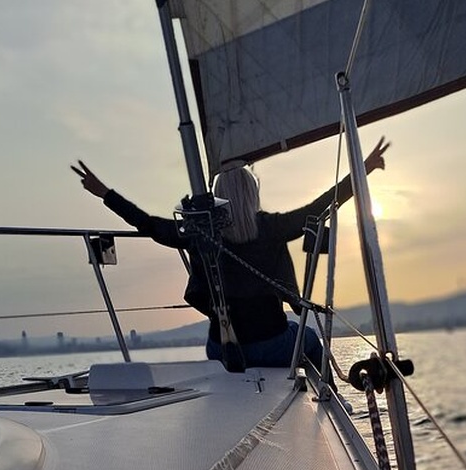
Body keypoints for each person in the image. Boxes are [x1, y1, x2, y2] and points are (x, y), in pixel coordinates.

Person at [72, 137, 390, 371]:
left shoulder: (200, 234)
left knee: (293, 335)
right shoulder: (271, 228)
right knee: (307, 339)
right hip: (272, 345)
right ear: (252, 193)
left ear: (218, 198)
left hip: (223, 350)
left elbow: (149, 225)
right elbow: (320, 207)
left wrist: (105, 193)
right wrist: (364, 170)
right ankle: (329, 402)